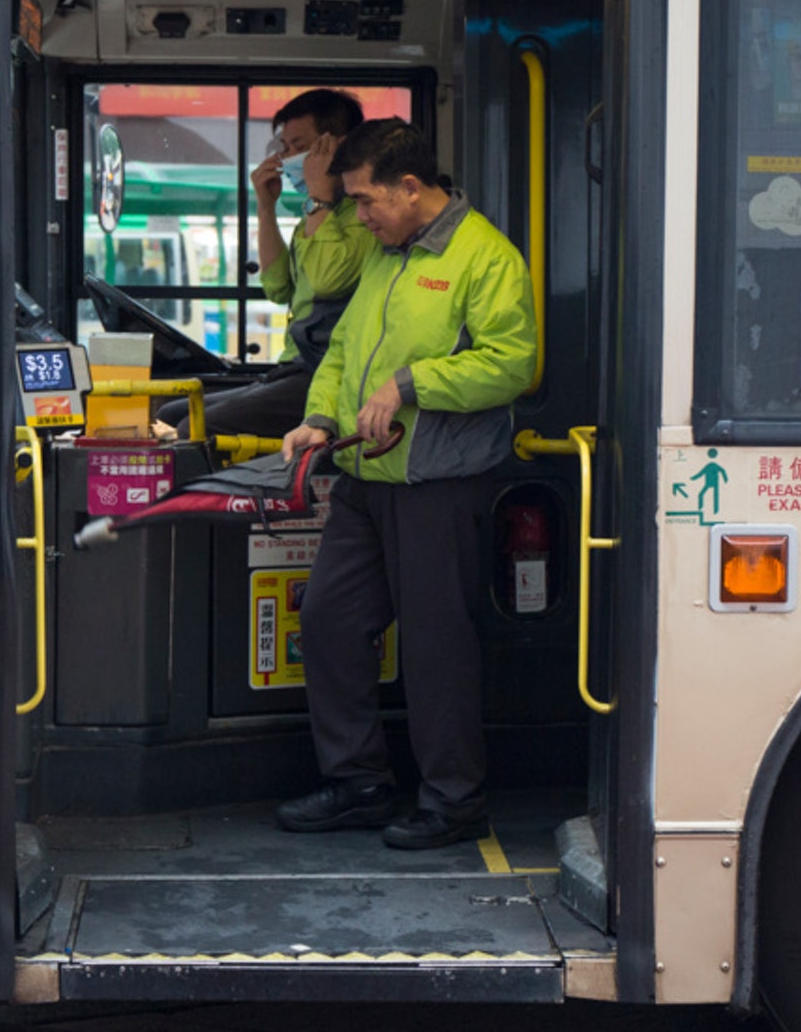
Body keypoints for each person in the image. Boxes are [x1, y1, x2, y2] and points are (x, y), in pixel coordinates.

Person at [274, 119, 536, 850]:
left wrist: (410, 383)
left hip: (437, 484)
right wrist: (320, 418)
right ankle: (357, 781)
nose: (360, 216)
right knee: (328, 619)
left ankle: (454, 800)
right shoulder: (386, 255)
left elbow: (511, 364)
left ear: (411, 188)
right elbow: (343, 350)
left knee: (434, 645)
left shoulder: (484, 256)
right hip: (365, 478)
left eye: (366, 200)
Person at [156, 89, 375, 438]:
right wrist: (265, 207)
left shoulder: (362, 215)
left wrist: (319, 195)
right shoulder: (313, 215)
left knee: (194, 428)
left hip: (328, 369)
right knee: (170, 413)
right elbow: (278, 287)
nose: (287, 158)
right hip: (293, 365)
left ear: (338, 146)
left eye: (299, 146)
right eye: (284, 147)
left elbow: (326, 282)